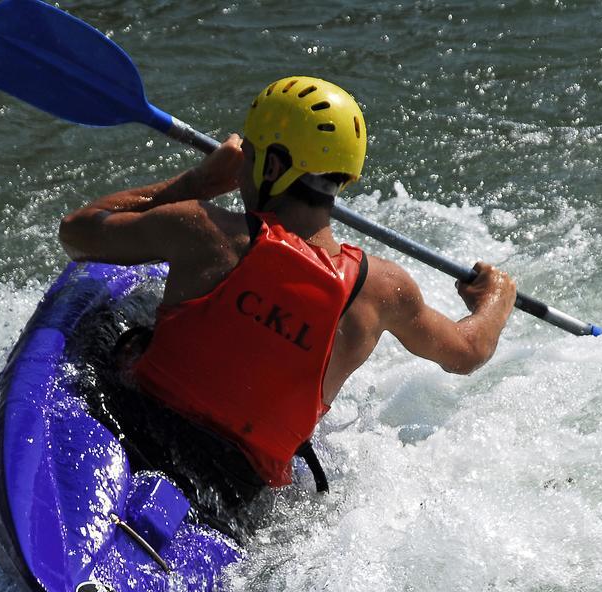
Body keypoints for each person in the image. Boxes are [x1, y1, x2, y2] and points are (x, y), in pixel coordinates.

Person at [59, 76, 515, 528]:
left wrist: (196, 181)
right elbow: (467, 352)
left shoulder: (204, 231)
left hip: (125, 427)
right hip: (234, 498)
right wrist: (496, 297)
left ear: (272, 167)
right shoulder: (380, 291)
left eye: (250, 155)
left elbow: (79, 232)